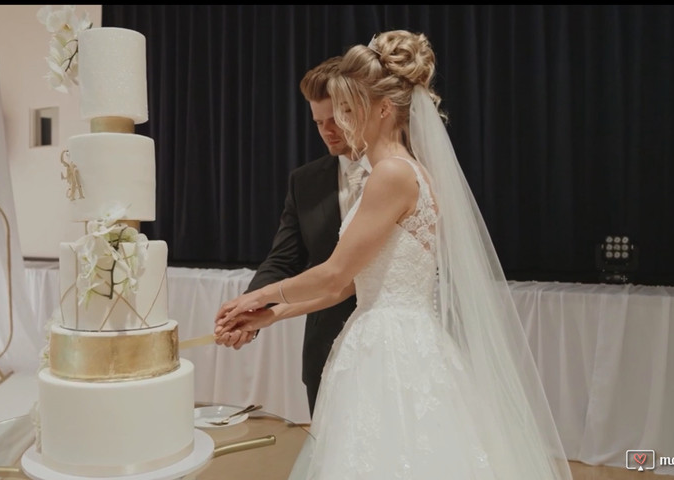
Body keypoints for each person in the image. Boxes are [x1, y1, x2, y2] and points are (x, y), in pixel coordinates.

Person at [216, 30, 572, 479]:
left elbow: (333, 274)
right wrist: (273, 314)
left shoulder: (391, 175)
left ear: (384, 109)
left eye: (349, 109)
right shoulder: (408, 170)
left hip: (390, 349)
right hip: (387, 333)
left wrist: (256, 296)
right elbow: (347, 286)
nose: (341, 122)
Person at [215, 56, 370, 417]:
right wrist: (250, 310)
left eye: (336, 120)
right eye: (318, 122)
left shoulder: (401, 171)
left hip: (393, 340)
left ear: (360, 110)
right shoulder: (305, 181)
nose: (327, 131)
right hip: (324, 341)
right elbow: (284, 259)